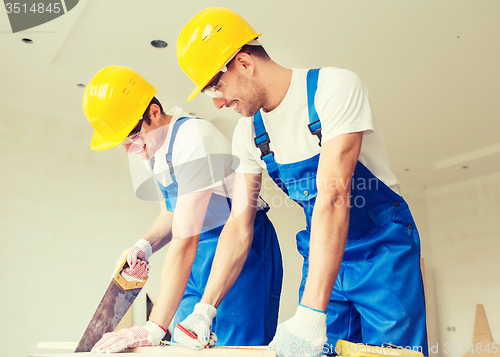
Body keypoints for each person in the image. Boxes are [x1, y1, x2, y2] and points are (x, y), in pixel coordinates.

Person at [175, 7, 428, 357]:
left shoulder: (333, 87)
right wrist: (205, 308)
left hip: (382, 252)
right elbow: (239, 225)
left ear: (244, 63)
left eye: (215, 85)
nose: (217, 101)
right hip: (322, 255)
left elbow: (334, 196)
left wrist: (310, 313)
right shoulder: (249, 133)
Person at [81, 65, 283, 352]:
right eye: (122, 144)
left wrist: (152, 327)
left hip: (240, 249)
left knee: (235, 350)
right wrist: (145, 245)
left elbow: (184, 238)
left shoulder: (193, 139)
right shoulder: (149, 152)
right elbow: (172, 214)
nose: (131, 150)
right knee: (183, 346)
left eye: (132, 137)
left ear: (153, 113)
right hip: (195, 254)